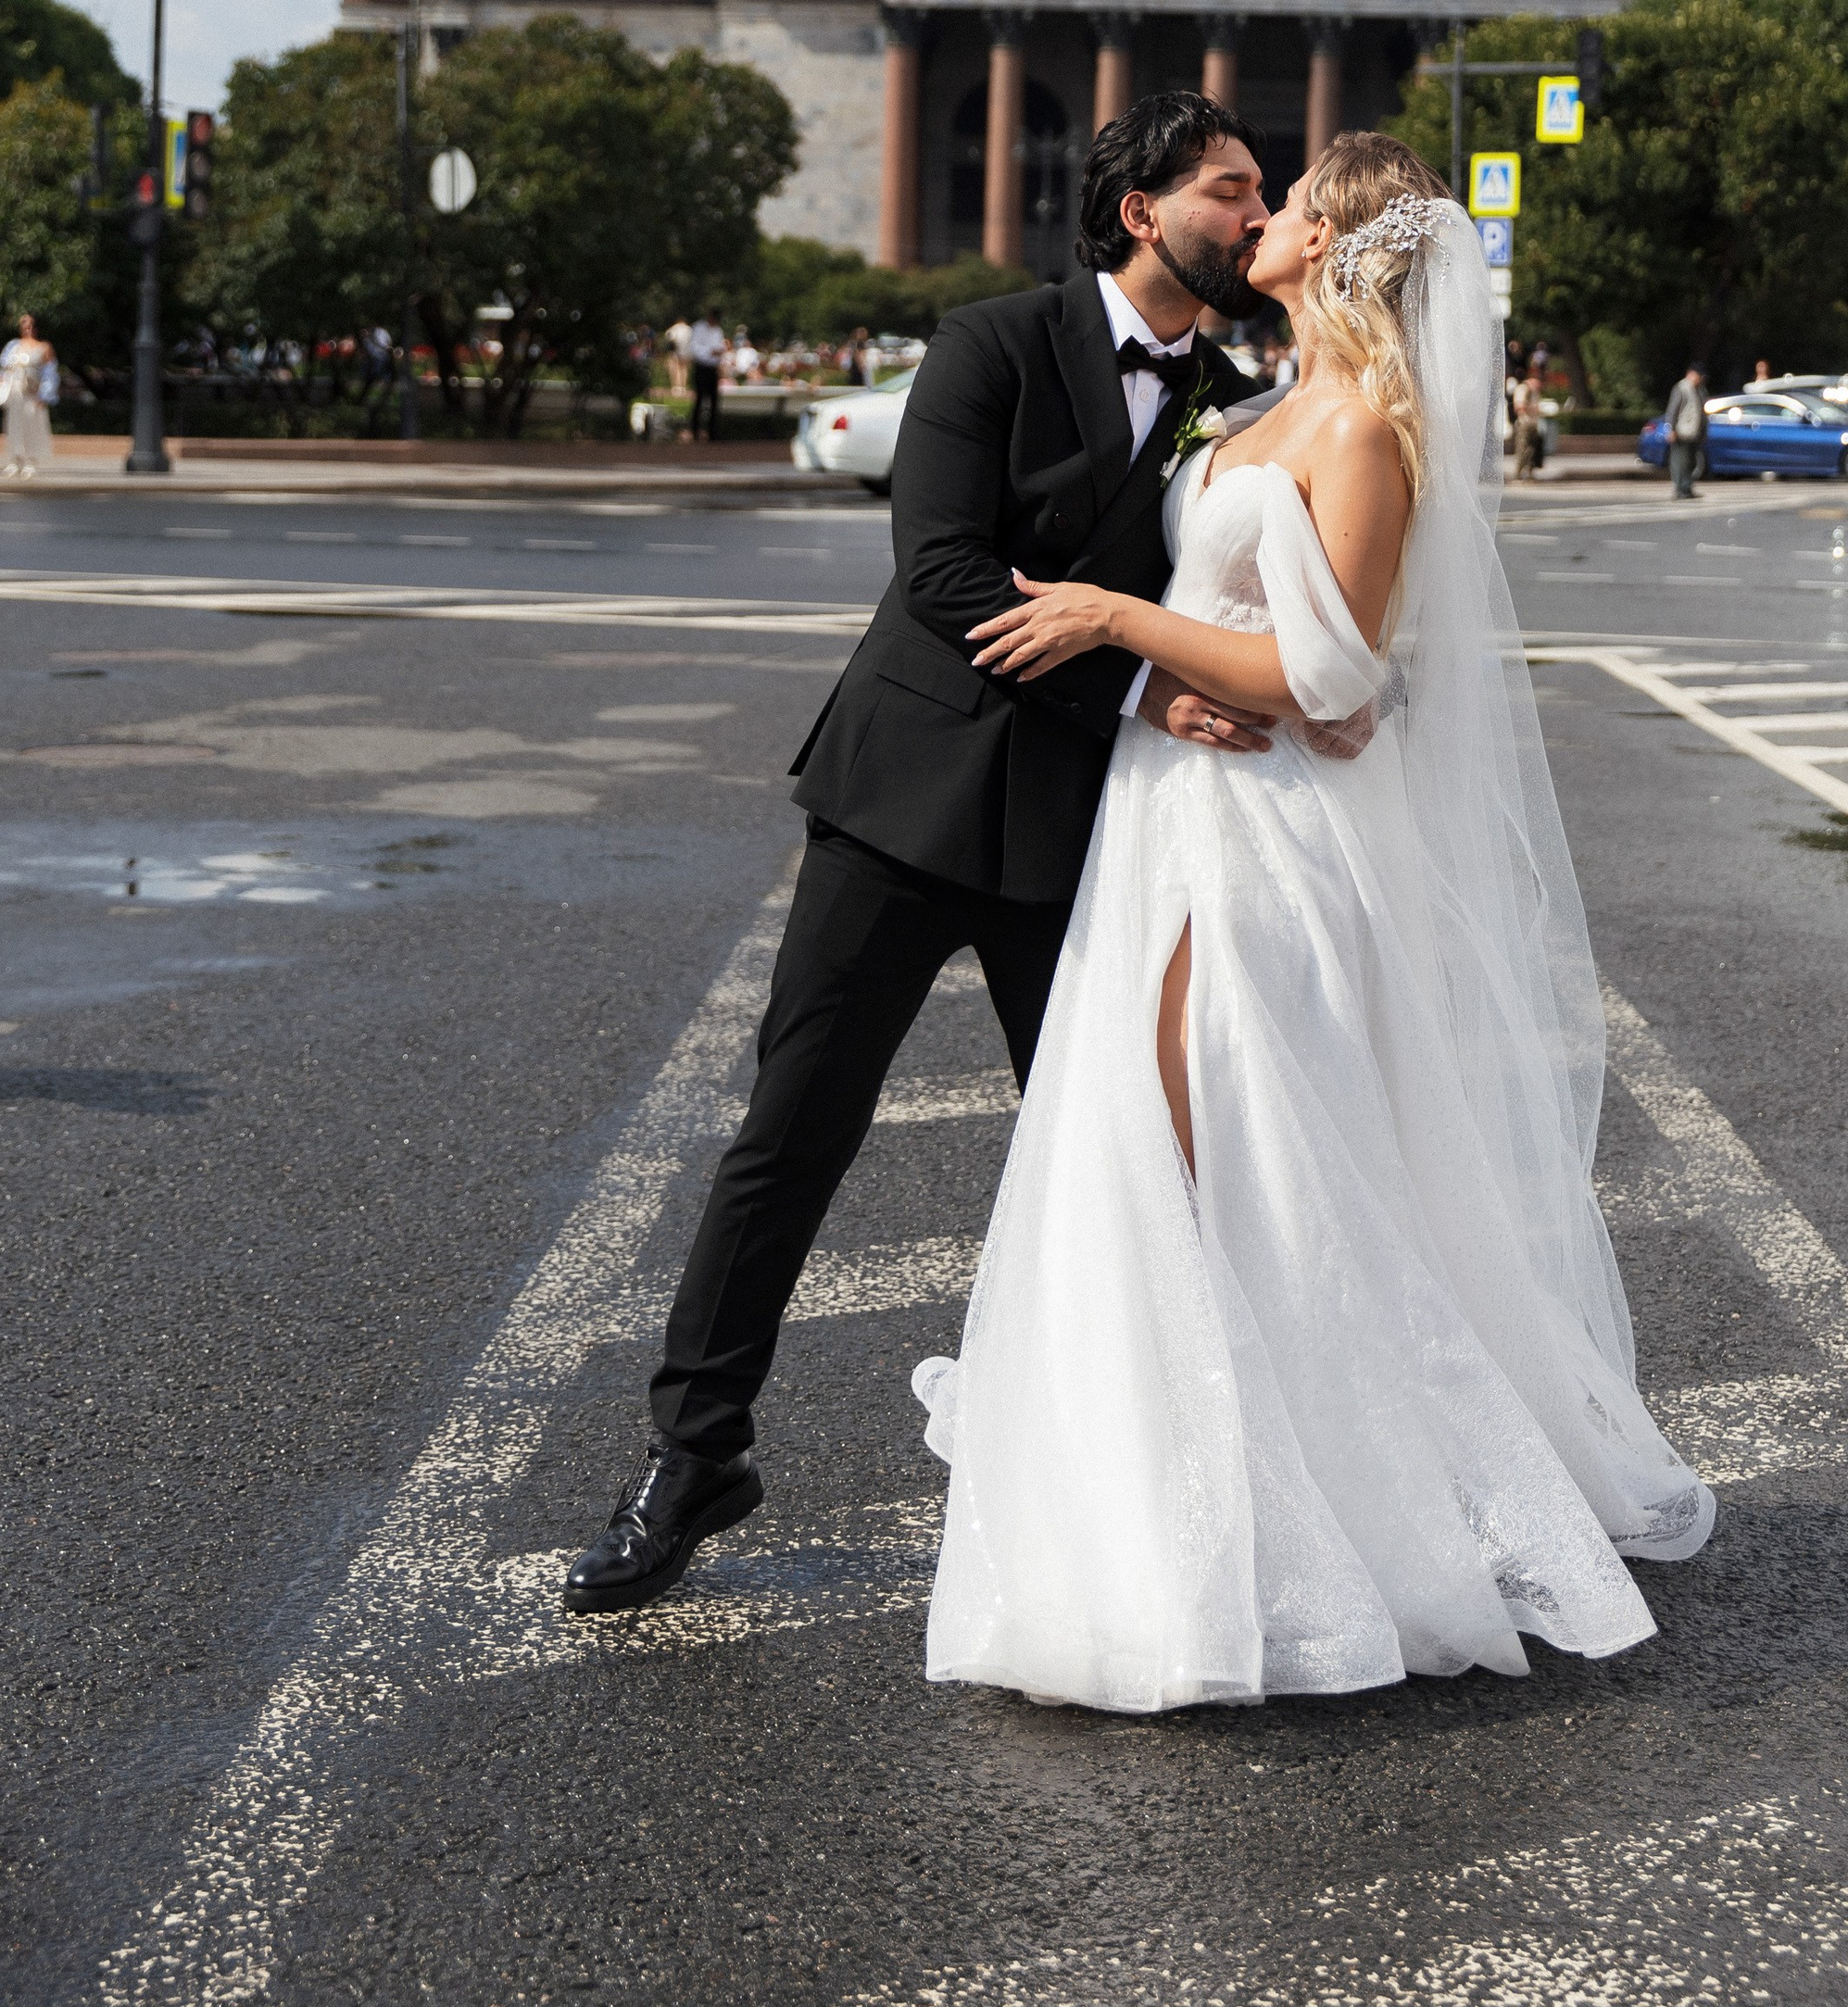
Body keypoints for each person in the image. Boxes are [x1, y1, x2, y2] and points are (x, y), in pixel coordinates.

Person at [921, 133, 1712, 1706]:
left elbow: (1330, 674)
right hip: (1167, 811)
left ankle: (1281, 1523)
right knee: (1160, 1147)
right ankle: (1170, 1507)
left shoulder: (1360, 426)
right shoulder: (1260, 404)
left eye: (1282, 203)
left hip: (1262, 843)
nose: (1258, 217)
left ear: (1340, 248)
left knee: (1217, 1155)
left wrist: (1117, 620)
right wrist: (1163, 653)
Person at [562, 92, 1276, 1616]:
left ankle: (1153, 1479)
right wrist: (1143, 683)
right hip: (902, 803)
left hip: (1084, 832)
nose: (1258, 217)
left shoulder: (1233, 398)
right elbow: (945, 573)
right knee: (791, 1135)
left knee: (1119, 1151)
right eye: (1231, 190)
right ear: (1142, 211)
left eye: (1264, 193)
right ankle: (693, 1455)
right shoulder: (992, 344)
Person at [1, 315, 57, 479]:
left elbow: (50, 373)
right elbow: (4, 369)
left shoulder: (43, 347)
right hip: (15, 392)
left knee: (32, 426)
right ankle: (15, 459)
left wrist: (45, 395)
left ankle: (30, 461)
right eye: (23, 324)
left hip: (32, 393)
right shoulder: (13, 346)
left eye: (29, 324)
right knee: (14, 426)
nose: (26, 328)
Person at [685, 305, 727, 441]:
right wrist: (710, 352)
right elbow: (695, 349)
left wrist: (718, 352)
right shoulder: (698, 328)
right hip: (701, 367)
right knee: (699, 400)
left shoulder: (717, 330)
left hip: (712, 368)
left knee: (714, 401)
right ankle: (695, 431)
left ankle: (713, 433)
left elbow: (720, 346)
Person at [1666, 364, 1708, 499]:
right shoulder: (1681, 388)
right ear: (1690, 374)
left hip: (1694, 433)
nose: (1700, 379)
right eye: (1698, 376)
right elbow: (1673, 410)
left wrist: (1703, 431)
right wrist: (1671, 429)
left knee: (1691, 463)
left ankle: (1688, 488)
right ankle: (1680, 489)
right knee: (1680, 463)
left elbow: (1702, 413)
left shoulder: (1700, 390)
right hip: (1682, 432)